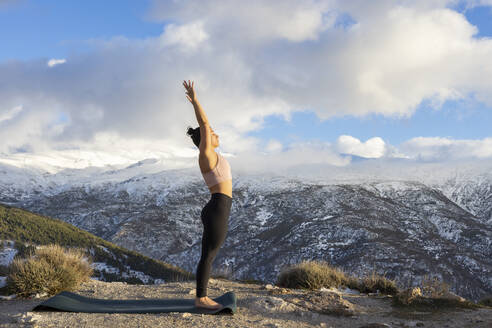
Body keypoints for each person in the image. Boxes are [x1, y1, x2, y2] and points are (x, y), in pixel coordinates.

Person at [183, 80, 232, 310]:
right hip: (217, 208)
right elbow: (204, 122)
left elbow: (206, 127)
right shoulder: (206, 155)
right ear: (204, 140)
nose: (215, 133)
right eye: (211, 133)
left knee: (209, 255)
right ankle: (201, 298)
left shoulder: (214, 155)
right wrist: (195, 100)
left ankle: (202, 295)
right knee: (208, 256)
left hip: (219, 208)